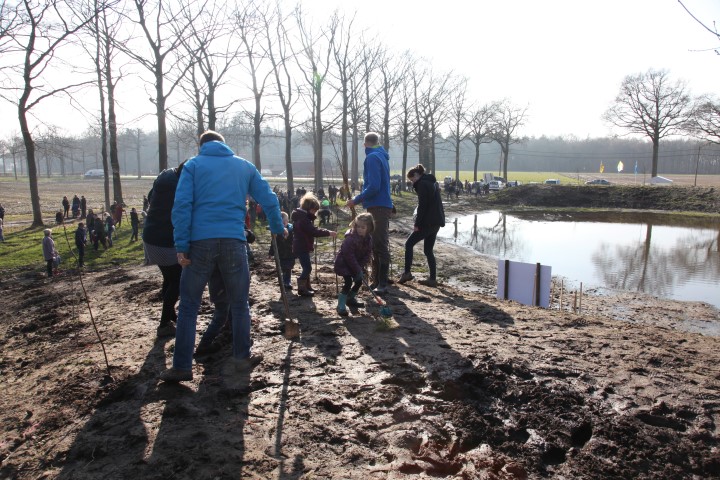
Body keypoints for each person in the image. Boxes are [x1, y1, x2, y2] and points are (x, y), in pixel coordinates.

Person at [160, 130, 286, 383]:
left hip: (199, 243)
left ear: (201, 146)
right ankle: (241, 358)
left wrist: (181, 244)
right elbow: (269, 198)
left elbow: (182, 206)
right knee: (239, 304)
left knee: (188, 306)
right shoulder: (244, 166)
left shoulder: (193, 166)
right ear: (223, 145)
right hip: (233, 241)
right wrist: (276, 226)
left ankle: (182, 366)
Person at [143, 162, 186, 338]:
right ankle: (164, 324)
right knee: (178, 281)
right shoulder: (178, 188)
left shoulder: (164, 178)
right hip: (164, 240)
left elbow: (150, 197)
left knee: (169, 279)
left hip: (151, 236)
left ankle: (170, 315)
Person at [346, 132, 393, 294]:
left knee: (379, 243)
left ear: (365, 144)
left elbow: (374, 186)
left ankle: (383, 283)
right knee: (375, 243)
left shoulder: (372, 158)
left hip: (378, 206)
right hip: (380, 205)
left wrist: (356, 200)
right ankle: (376, 280)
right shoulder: (381, 156)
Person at [398, 164, 445, 287]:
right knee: (428, 250)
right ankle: (433, 279)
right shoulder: (431, 182)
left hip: (427, 222)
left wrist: (417, 224)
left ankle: (407, 273)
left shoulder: (422, 184)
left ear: (416, 175)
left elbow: (423, 206)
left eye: (412, 179)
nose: (412, 182)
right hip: (436, 221)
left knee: (408, 244)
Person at [291, 192, 337, 297]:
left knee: (307, 267)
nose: (315, 213)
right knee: (307, 268)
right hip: (301, 246)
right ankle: (302, 288)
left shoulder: (302, 217)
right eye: (314, 210)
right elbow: (313, 231)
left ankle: (307, 286)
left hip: (302, 245)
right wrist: (328, 233)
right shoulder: (303, 219)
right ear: (309, 208)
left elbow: (312, 230)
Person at [333, 213, 374, 316]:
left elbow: (367, 254)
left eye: (363, 227)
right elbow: (349, 256)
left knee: (359, 281)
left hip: (356, 265)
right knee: (348, 283)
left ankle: (350, 299)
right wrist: (357, 269)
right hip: (344, 264)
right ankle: (340, 305)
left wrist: (359, 268)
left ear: (369, 228)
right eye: (357, 226)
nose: (359, 229)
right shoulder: (350, 239)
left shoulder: (368, 239)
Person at [268, 211, 294, 291]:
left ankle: (287, 281)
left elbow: (296, 241)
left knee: (288, 267)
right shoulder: (276, 231)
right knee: (283, 267)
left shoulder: (292, 229)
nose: (284, 224)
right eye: (281, 222)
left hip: (290, 253)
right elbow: (273, 243)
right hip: (280, 253)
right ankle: (283, 281)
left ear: (288, 221)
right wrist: (271, 253)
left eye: (285, 222)